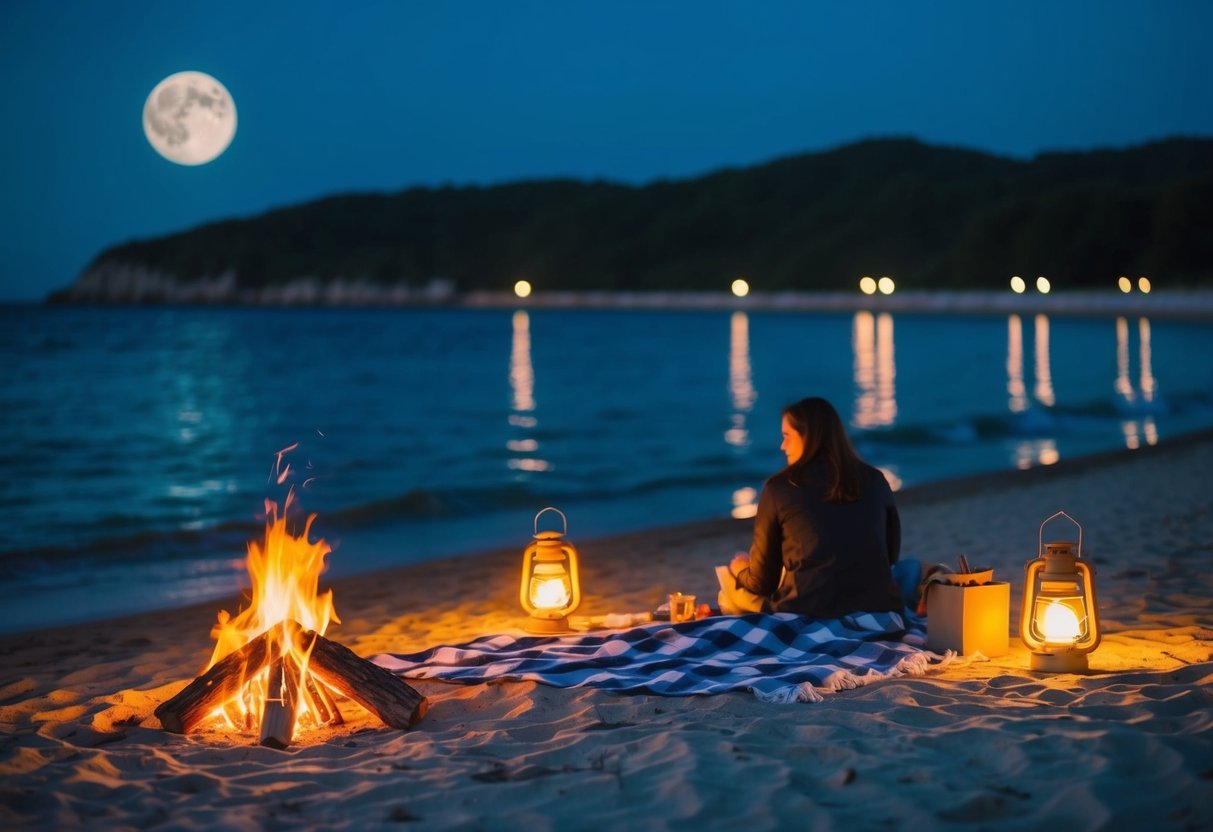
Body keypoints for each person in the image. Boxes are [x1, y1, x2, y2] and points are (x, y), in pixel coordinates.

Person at [718, 396, 911, 619]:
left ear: (809, 437)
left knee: (731, 590)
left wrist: (740, 569)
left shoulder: (780, 488)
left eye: (787, 436)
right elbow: (890, 556)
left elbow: (762, 583)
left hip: (806, 612)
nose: (783, 446)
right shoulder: (876, 480)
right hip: (879, 608)